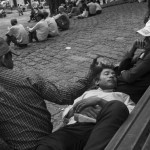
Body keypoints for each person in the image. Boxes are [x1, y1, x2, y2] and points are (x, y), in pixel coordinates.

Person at [0, 37, 101, 150]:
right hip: (47, 143)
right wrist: (91, 74)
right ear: (4, 58)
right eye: (11, 56)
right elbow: (64, 96)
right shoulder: (28, 78)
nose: (12, 60)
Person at [36, 63, 134, 150]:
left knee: (117, 106)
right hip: (75, 128)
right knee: (46, 146)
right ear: (97, 82)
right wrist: (78, 108)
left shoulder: (122, 96)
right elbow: (68, 111)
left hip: (100, 128)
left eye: (114, 75)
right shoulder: (87, 93)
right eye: (107, 74)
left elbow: (131, 114)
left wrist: (100, 102)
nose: (112, 76)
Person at [116, 20, 150, 103]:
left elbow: (130, 76)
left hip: (135, 97)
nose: (145, 39)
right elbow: (122, 67)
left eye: (148, 37)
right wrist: (133, 48)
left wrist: (122, 73)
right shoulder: (146, 52)